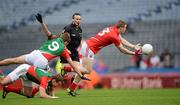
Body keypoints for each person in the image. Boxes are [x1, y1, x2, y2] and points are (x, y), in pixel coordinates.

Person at [0, 14, 90, 81]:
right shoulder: (63, 49)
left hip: (35, 54)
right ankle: (39, 85)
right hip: (41, 61)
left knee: (14, 60)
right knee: (51, 78)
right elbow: (73, 65)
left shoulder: (53, 38)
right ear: (67, 42)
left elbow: (47, 32)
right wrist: (80, 75)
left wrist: (42, 22)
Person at [66, 20, 142, 96]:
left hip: (88, 45)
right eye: (125, 27)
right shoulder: (113, 36)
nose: (125, 29)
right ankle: (67, 69)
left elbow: (121, 40)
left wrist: (133, 46)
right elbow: (122, 49)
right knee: (88, 71)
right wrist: (133, 53)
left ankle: (71, 89)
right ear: (121, 27)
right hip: (89, 48)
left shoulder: (113, 28)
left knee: (82, 71)